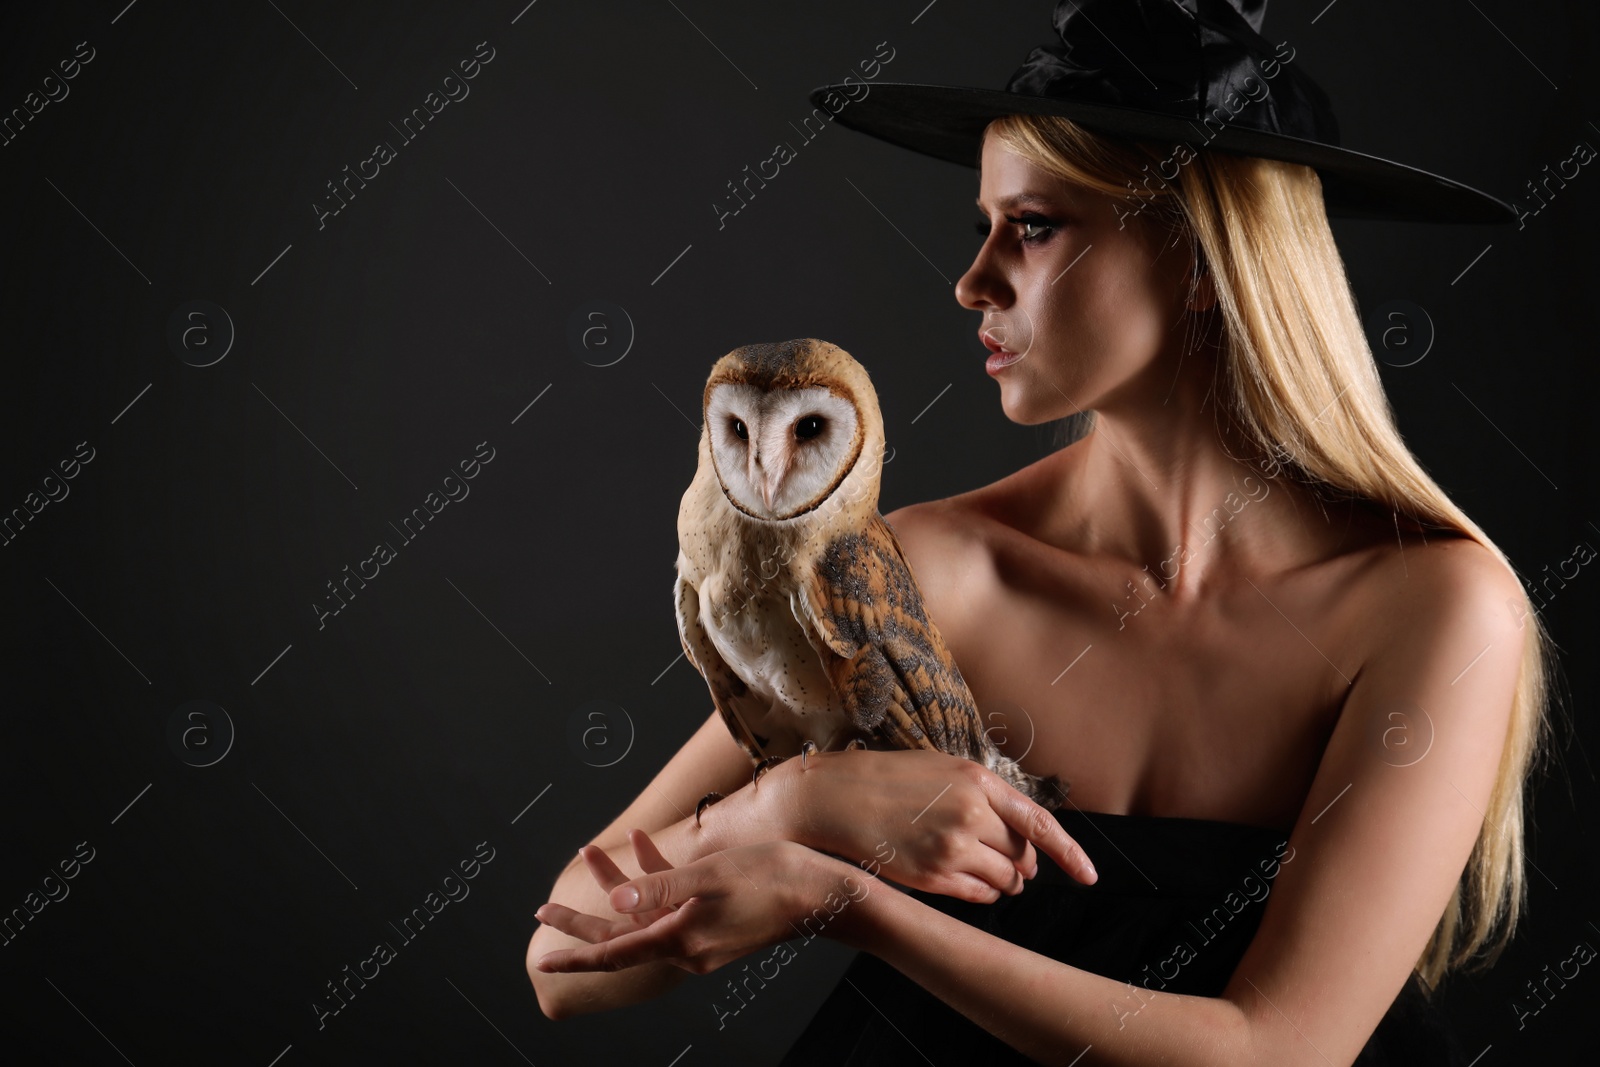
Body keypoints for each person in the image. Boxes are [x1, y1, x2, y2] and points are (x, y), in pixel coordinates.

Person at [526, 2, 1554, 1063]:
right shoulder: (926, 572)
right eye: (982, 227)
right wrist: (788, 804)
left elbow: (1276, 1050)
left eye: (1032, 226)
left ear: (1202, 260)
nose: (973, 282)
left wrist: (849, 900)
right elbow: (561, 959)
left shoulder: (1433, 605)